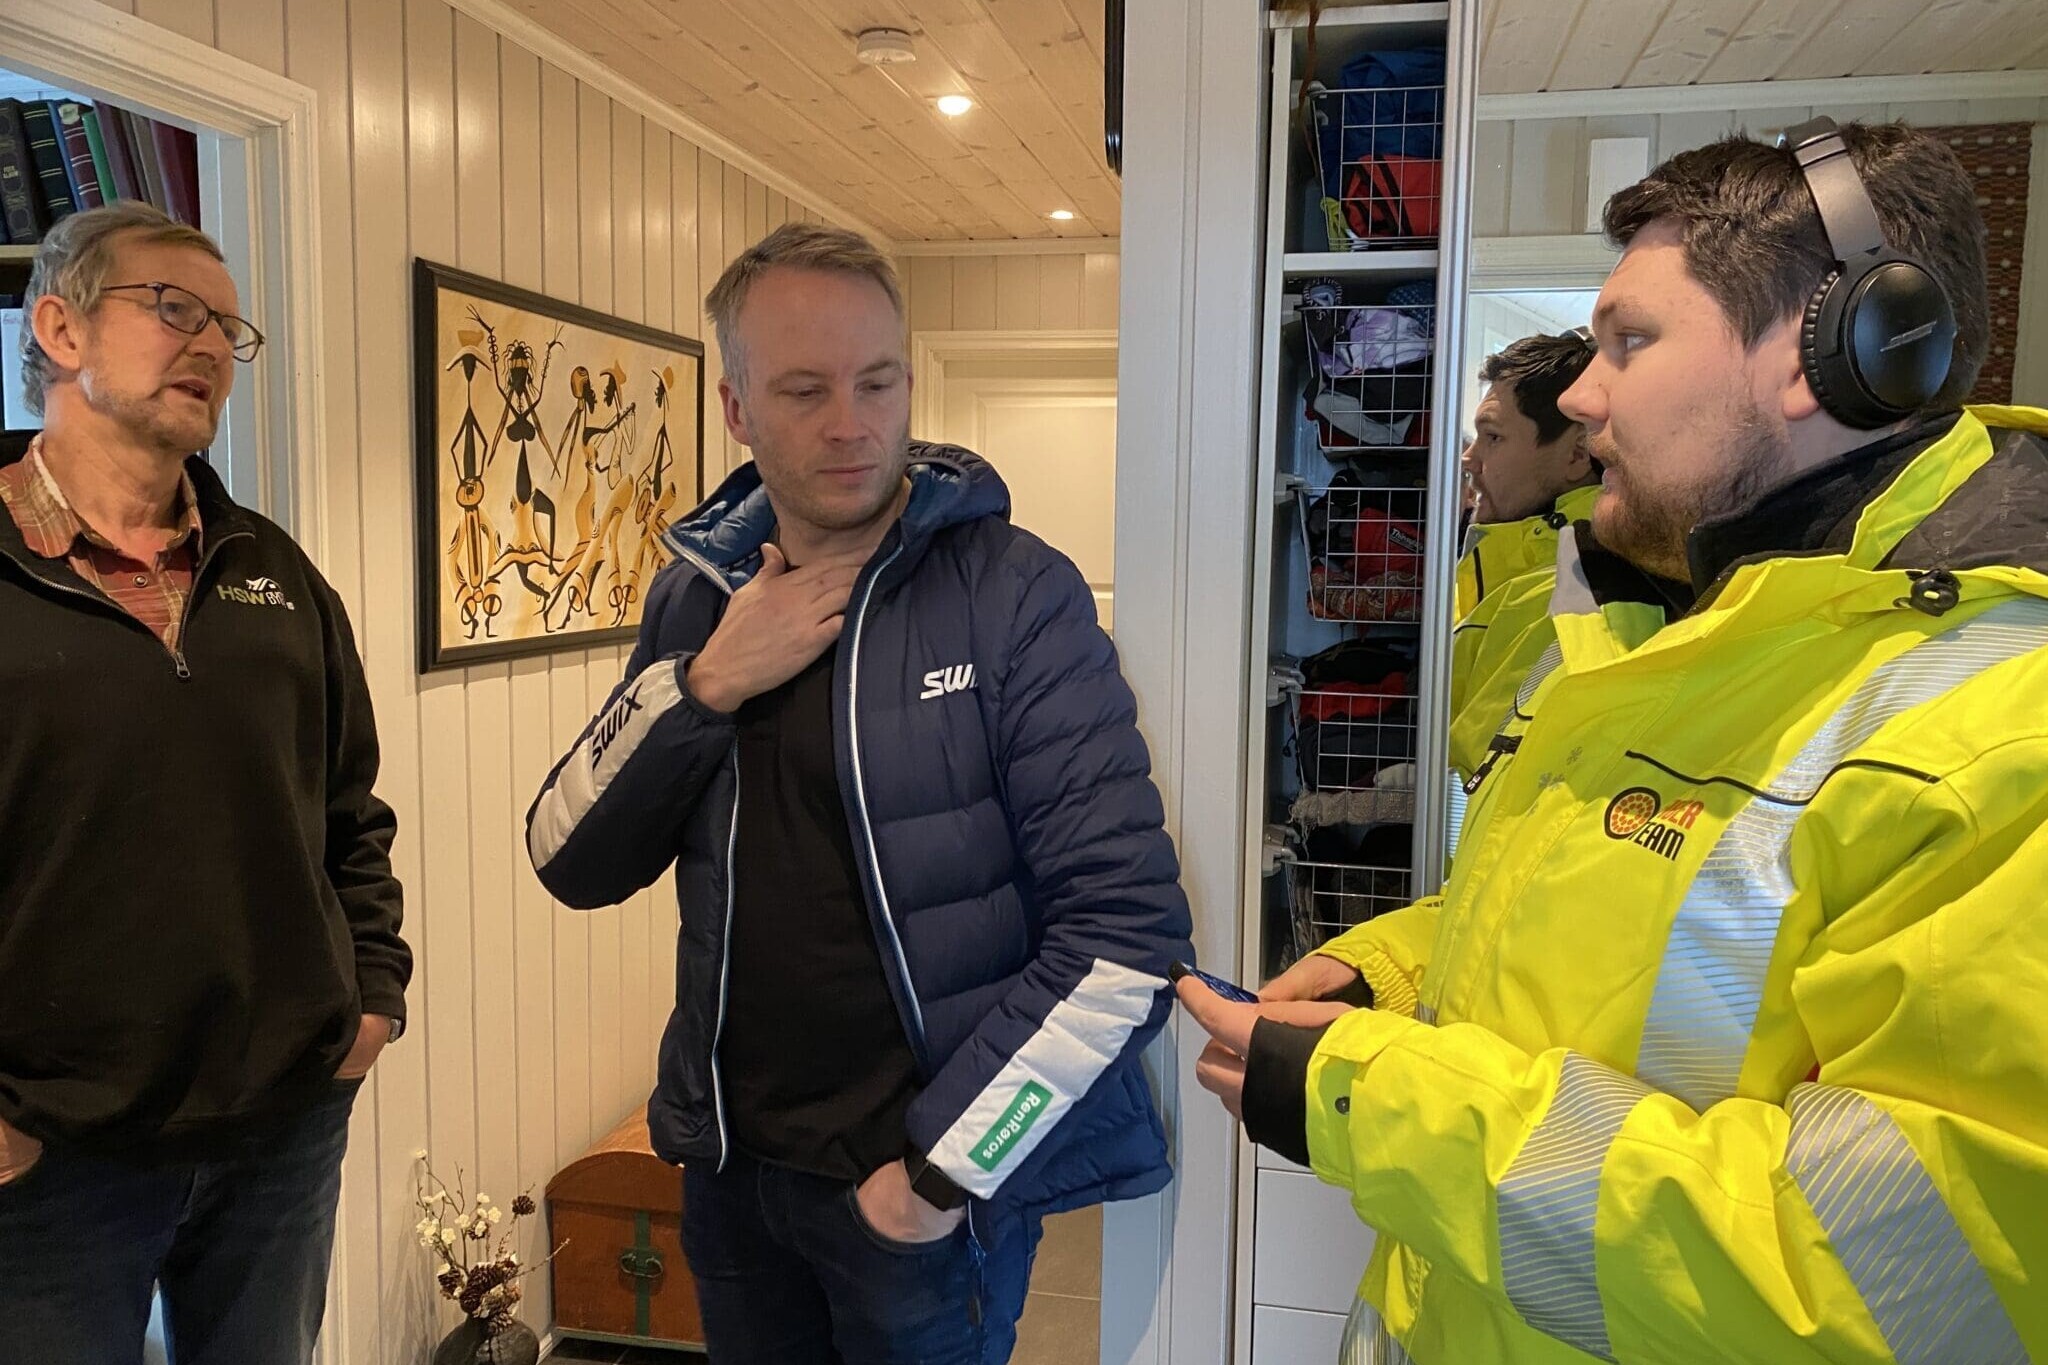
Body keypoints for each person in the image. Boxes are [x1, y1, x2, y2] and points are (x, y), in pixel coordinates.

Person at [1182, 120, 2048, 1364]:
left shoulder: (1998, 734)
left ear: (1841, 349)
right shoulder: (1658, 621)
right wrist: (1395, 983)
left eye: (1628, 342)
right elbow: (1593, 919)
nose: (1580, 391)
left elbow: (1880, 1289)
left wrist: (1375, 1096)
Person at [526, 222, 1193, 1365]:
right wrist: (706, 684)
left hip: (917, 1208)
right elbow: (567, 855)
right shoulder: (698, 604)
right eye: (803, 390)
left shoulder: (1012, 593)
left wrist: (937, 1176)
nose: (851, 423)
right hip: (736, 1179)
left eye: (877, 381)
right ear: (734, 408)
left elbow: (1124, 937)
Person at [0, 202, 410, 1364]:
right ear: (61, 329)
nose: (209, 345)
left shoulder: (273, 574)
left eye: (227, 327)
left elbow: (348, 812)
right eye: (171, 308)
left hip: (281, 1130)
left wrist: (369, 999)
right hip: (47, 1157)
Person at [1450, 331, 1616, 783]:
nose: (1470, 457)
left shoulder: (1578, 586)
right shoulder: (1514, 561)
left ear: (1577, 453)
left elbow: (1488, 766)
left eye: (1493, 437)